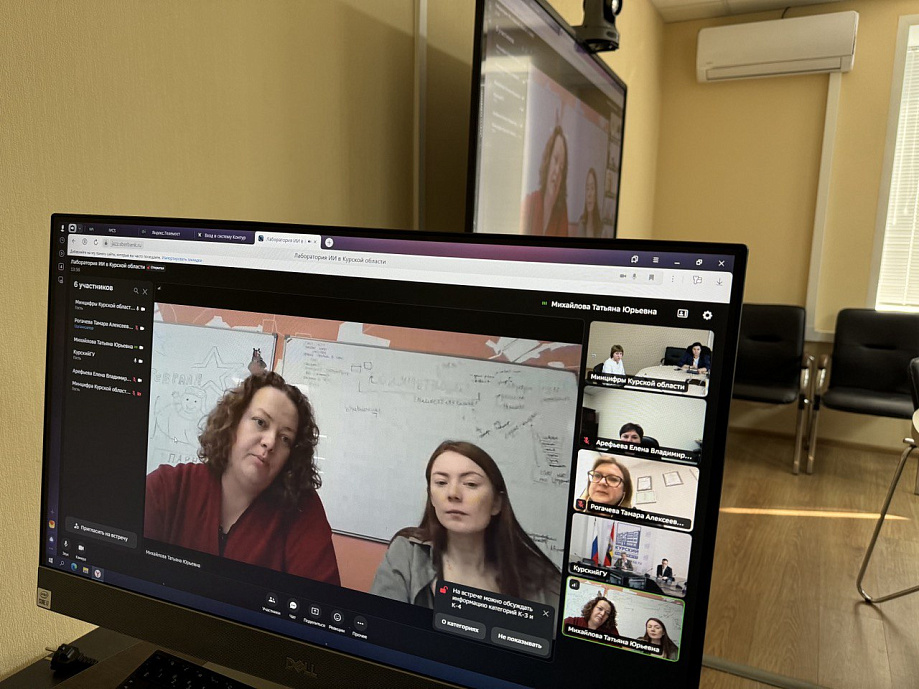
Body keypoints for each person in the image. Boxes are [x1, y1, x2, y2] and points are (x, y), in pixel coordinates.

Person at [144, 372, 340, 584]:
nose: (270, 442)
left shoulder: (301, 509)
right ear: (233, 422)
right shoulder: (168, 487)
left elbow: (317, 598)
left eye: (285, 438)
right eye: (261, 422)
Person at [371, 441, 561, 608]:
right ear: (432, 498)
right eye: (441, 482)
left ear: (496, 503)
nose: (453, 493)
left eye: (470, 484)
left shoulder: (541, 579)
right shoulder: (407, 554)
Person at [521, 125, 569, 236]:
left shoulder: (562, 211)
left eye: (561, 167)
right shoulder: (530, 202)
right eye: (555, 160)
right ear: (548, 161)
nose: (557, 171)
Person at [574, 167, 602, 238]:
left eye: (592, 188)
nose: (589, 194)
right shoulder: (581, 223)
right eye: (587, 188)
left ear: (596, 193)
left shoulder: (601, 227)